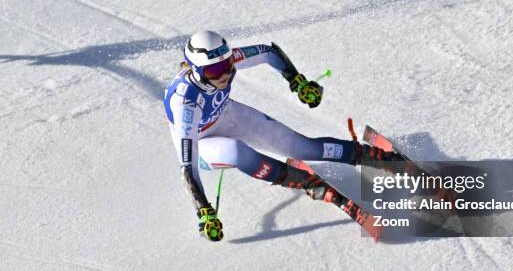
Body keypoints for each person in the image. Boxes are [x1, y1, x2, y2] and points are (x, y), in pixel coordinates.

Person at [164, 30, 398, 241]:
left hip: (227, 116)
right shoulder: (186, 104)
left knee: (305, 148)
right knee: (235, 150)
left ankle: (369, 156)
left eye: (227, 65)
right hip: (202, 144)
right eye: (215, 71)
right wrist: (204, 211)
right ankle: (307, 182)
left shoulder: (224, 61)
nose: (224, 73)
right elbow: (187, 164)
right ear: (196, 71)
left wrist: (297, 83)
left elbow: (268, 52)